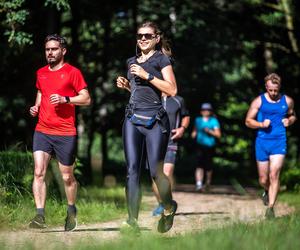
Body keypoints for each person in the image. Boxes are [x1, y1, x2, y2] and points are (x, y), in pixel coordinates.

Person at [116, 21, 177, 233]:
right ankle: (132, 221)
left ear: (157, 38)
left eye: (148, 36)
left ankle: (169, 207)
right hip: (132, 119)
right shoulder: (131, 61)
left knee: (155, 173)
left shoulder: (162, 59)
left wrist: (147, 75)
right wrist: (127, 86)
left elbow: (171, 89)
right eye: (140, 35)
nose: (143, 39)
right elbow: (138, 92)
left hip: (156, 121)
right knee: (132, 170)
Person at [29, 34, 91, 231]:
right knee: (39, 172)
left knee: (67, 177)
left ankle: (71, 209)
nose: (50, 52)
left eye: (54, 49)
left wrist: (66, 99)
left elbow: (86, 99)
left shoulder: (73, 72)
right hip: (43, 130)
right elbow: (41, 92)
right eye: (47, 49)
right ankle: (40, 215)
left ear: (63, 51)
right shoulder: (41, 73)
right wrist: (36, 107)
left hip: (65, 132)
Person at [245, 73, 296, 219]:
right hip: (262, 142)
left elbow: (293, 115)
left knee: (274, 174)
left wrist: (290, 121)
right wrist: (261, 124)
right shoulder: (258, 101)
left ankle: (271, 208)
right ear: (266, 87)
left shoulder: (288, 101)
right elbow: (248, 121)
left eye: (276, 90)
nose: (273, 93)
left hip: (279, 141)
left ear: (279, 87)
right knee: (263, 179)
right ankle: (267, 191)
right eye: (270, 90)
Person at [152, 94, 190, 216]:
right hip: (154, 143)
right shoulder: (151, 97)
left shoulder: (178, 100)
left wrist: (182, 129)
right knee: (156, 177)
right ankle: (163, 203)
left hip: (171, 142)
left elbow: (186, 116)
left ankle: (166, 205)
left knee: (166, 174)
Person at [191, 103, 221, 192]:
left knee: (208, 166)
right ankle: (199, 184)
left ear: (210, 111)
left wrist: (210, 131)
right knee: (199, 165)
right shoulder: (198, 120)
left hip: (210, 146)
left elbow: (218, 134)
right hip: (199, 145)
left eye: (207, 110)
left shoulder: (213, 121)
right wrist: (193, 135)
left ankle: (207, 183)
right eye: (204, 110)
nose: (205, 112)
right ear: (201, 111)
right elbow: (194, 131)